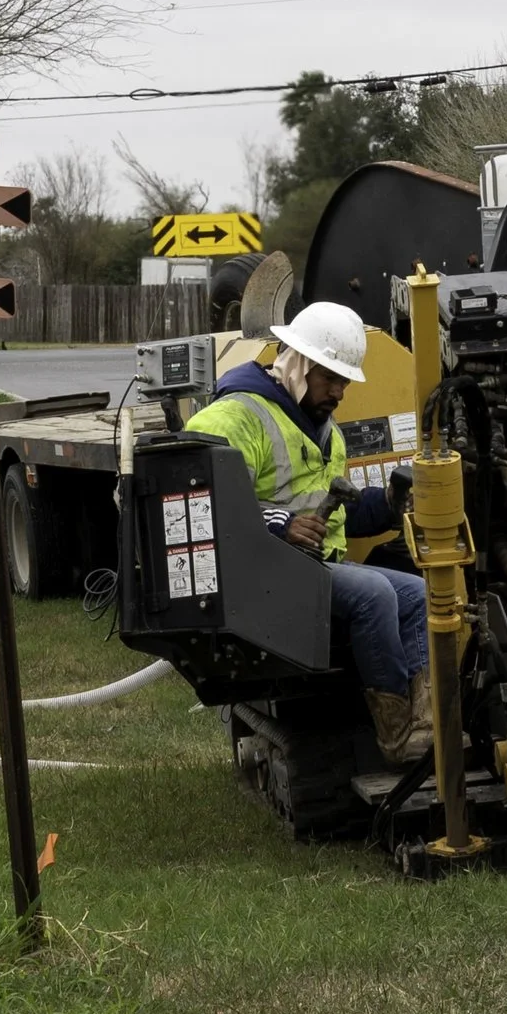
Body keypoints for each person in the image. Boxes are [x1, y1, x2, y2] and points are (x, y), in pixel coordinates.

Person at [182, 302, 433, 760]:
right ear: (298, 365)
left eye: (343, 382)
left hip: (311, 568)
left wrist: (389, 506)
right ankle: (396, 737)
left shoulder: (326, 432)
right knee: (375, 593)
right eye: (329, 379)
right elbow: (196, 499)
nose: (339, 392)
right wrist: (280, 524)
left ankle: (426, 723)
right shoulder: (235, 416)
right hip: (262, 573)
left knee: (418, 593)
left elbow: (334, 519)